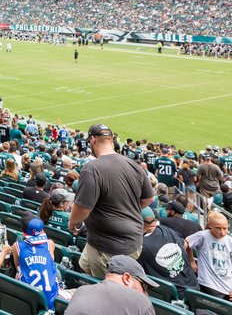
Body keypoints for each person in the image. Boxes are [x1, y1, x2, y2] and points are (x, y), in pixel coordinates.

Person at [68, 124, 154, 279]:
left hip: (109, 246)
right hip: (132, 241)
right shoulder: (134, 165)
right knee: (84, 265)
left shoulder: (92, 168)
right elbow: (149, 198)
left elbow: (83, 209)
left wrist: (72, 223)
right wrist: (126, 207)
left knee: (107, 288)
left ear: (93, 140)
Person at [137, 207, 199, 299]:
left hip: (173, 299)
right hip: (195, 290)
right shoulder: (168, 230)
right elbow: (185, 244)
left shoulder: (139, 247)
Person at [65, 255, 158, 315]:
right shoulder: (141, 302)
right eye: (143, 286)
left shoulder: (81, 291)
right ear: (127, 279)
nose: (146, 294)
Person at [12, 214, 59, 310]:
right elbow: (51, 262)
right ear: (42, 230)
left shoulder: (17, 246)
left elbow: (17, 266)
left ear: (24, 232)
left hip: (27, 298)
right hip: (52, 299)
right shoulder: (50, 244)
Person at [185, 211, 232, 300]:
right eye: (218, 228)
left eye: (225, 228)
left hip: (227, 286)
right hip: (208, 284)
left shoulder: (230, 240)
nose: (222, 232)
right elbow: (187, 242)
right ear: (210, 225)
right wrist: (191, 261)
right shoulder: (203, 236)